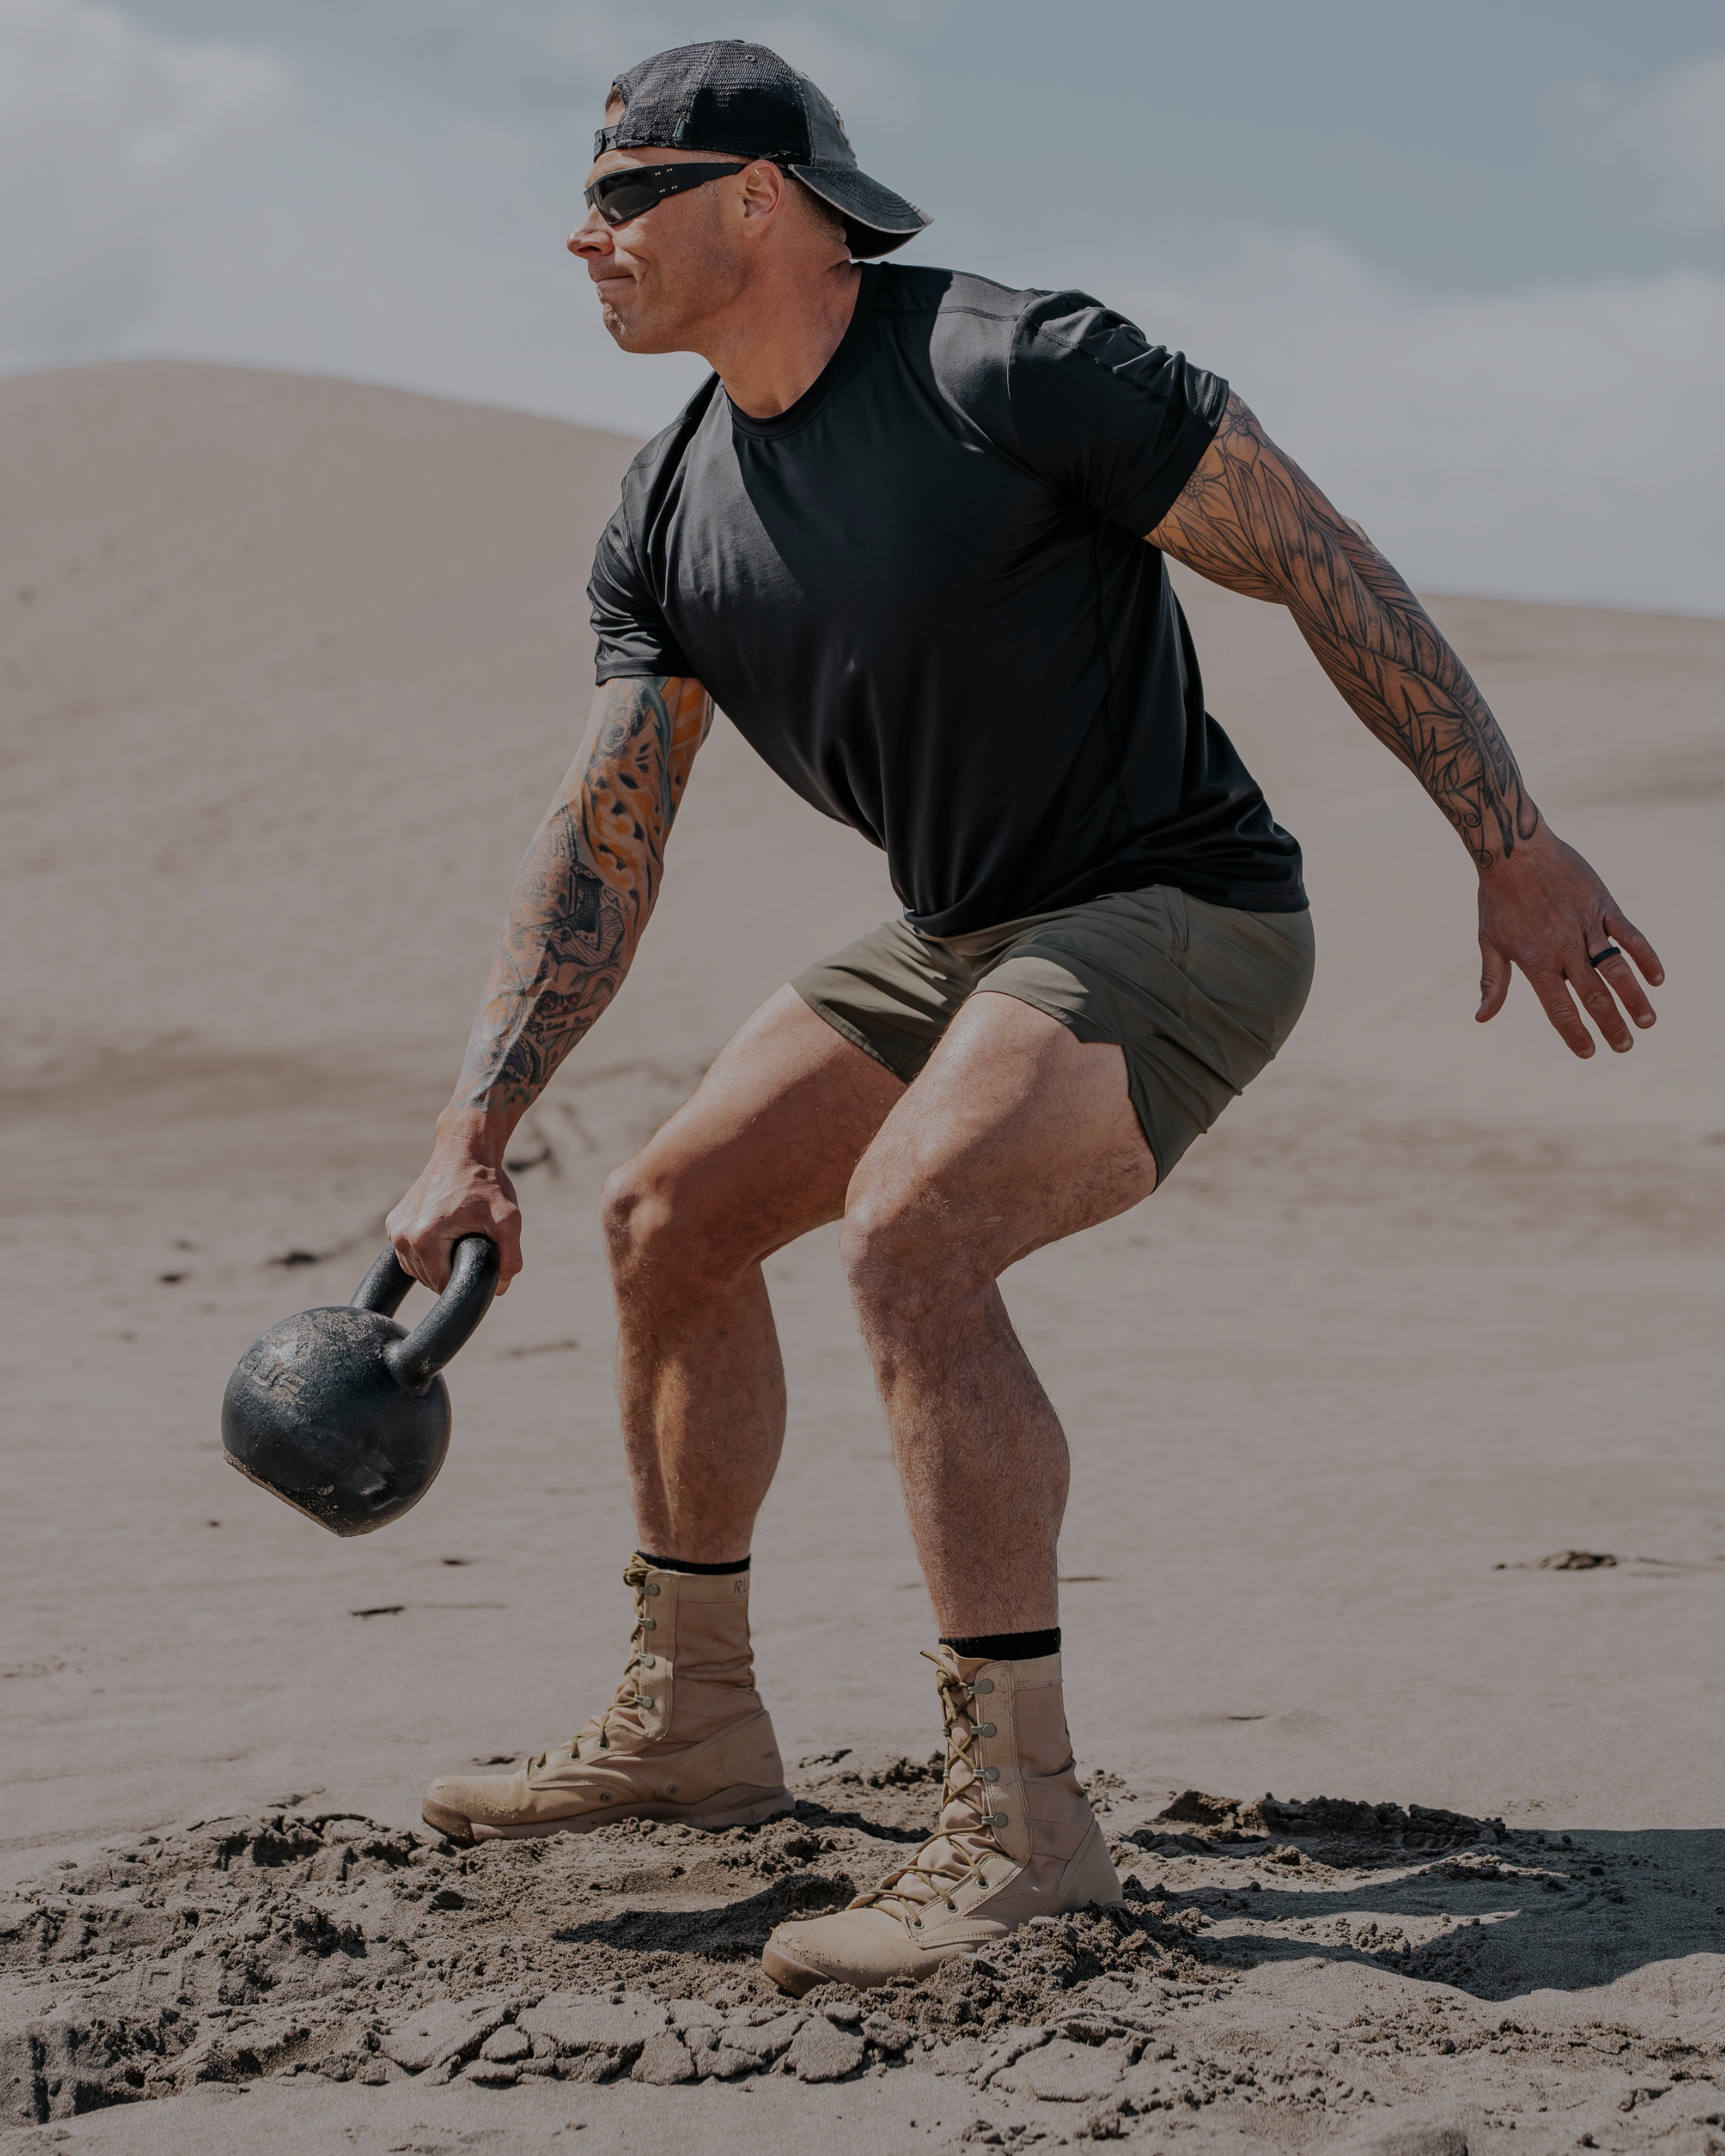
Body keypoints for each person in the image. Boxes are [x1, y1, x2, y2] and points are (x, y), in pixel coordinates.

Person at [387, 41, 1663, 1995]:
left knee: (912, 1230)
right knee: (665, 1217)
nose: (588, 235)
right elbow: (604, 841)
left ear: (762, 200)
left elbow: (1320, 559)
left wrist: (1510, 837)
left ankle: (1022, 1824)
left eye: (628, 194)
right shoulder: (668, 508)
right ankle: (696, 1719)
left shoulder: (1015, 363)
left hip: (1181, 909)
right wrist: (472, 1130)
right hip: (964, 937)